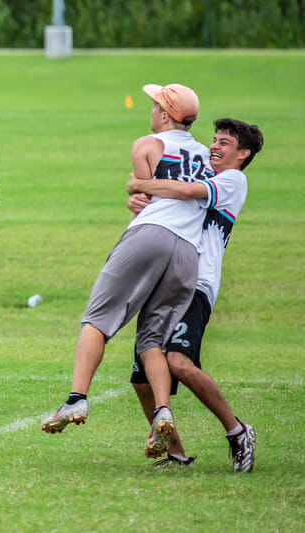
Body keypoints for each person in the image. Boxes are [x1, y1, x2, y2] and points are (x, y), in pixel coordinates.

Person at [41, 83, 225, 458]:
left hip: (150, 236)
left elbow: (146, 202)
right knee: (151, 341)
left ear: (165, 113)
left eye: (156, 104)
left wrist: (135, 197)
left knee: (97, 320)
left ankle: (76, 398)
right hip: (188, 252)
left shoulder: (147, 144)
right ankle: (162, 411)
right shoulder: (207, 156)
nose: (152, 109)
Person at [127, 118, 263, 472]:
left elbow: (186, 194)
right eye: (214, 139)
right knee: (143, 378)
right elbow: (168, 203)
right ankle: (176, 454)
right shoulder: (198, 173)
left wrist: (139, 184)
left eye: (225, 143)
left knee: (177, 361)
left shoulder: (232, 180)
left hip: (196, 282)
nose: (214, 146)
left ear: (243, 154)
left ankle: (237, 431)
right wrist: (145, 204)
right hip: (162, 278)